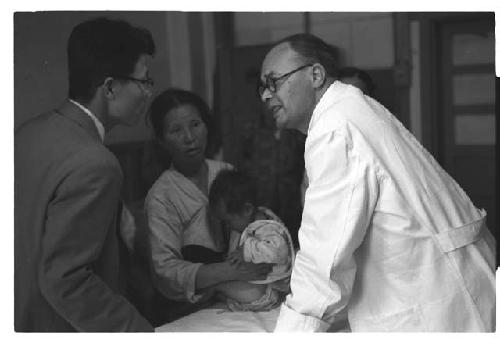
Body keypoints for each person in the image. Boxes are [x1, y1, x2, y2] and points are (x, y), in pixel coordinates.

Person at [258, 33, 496, 332]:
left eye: (273, 82)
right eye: (262, 87)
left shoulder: (336, 127)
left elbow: (325, 255)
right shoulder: (352, 109)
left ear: (315, 74)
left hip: (437, 304)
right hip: (456, 287)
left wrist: (294, 328)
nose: (266, 95)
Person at [15, 17, 155, 332]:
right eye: (144, 81)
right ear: (109, 87)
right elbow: (66, 280)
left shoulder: (26, 134)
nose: (149, 93)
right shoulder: (95, 163)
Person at [144, 89, 272, 320]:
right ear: (162, 140)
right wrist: (225, 272)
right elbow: (165, 271)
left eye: (195, 124)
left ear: (206, 125)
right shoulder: (161, 196)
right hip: (188, 305)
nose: (189, 137)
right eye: (176, 130)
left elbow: (253, 222)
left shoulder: (224, 172)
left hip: (236, 291)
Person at [186, 168, 295, 312]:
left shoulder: (267, 227)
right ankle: (218, 292)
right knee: (229, 284)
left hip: (271, 291)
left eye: (228, 221)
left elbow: (276, 252)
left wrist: (245, 251)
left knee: (240, 290)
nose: (228, 227)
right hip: (259, 283)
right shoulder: (247, 225)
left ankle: (216, 291)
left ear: (247, 210)